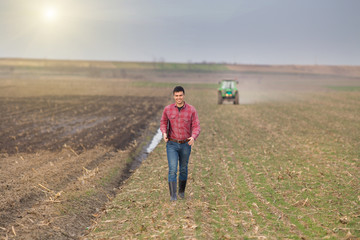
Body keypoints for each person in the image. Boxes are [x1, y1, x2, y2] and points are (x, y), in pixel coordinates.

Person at [160, 86, 200, 201]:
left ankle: (181, 192)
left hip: (185, 144)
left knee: (183, 168)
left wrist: (193, 137)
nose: (178, 98)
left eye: (180, 95)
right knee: (172, 169)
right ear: (174, 96)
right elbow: (163, 122)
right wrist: (164, 133)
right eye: (176, 96)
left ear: (184, 96)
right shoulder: (167, 109)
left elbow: (196, 126)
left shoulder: (191, 110)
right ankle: (173, 196)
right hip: (172, 144)